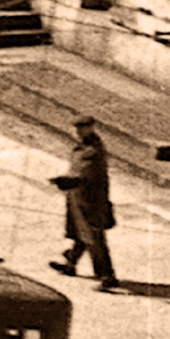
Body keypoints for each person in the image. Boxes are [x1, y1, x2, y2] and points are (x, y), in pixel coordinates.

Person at [49, 114, 119, 291]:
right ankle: (70, 264)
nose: (78, 132)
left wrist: (65, 182)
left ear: (91, 128)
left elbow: (84, 177)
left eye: (81, 128)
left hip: (91, 201)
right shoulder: (82, 147)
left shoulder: (92, 151)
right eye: (76, 129)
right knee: (82, 234)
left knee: (94, 239)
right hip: (79, 198)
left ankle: (107, 276)